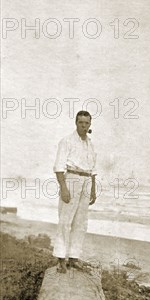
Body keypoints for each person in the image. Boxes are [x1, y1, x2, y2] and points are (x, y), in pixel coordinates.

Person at [53, 111, 97, 273]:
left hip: (86, 180)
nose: (83, 126)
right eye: (81, 122)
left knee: (81, 222)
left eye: (86, 123)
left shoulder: (90, 144)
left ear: (90, 124)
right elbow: (58, 167)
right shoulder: (66, 141)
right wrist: (63, 187)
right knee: (65, 220)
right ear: (76, 123)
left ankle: (73, 257)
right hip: (71, 178)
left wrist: (93, 189)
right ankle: (60, 259)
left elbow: (93, 170)